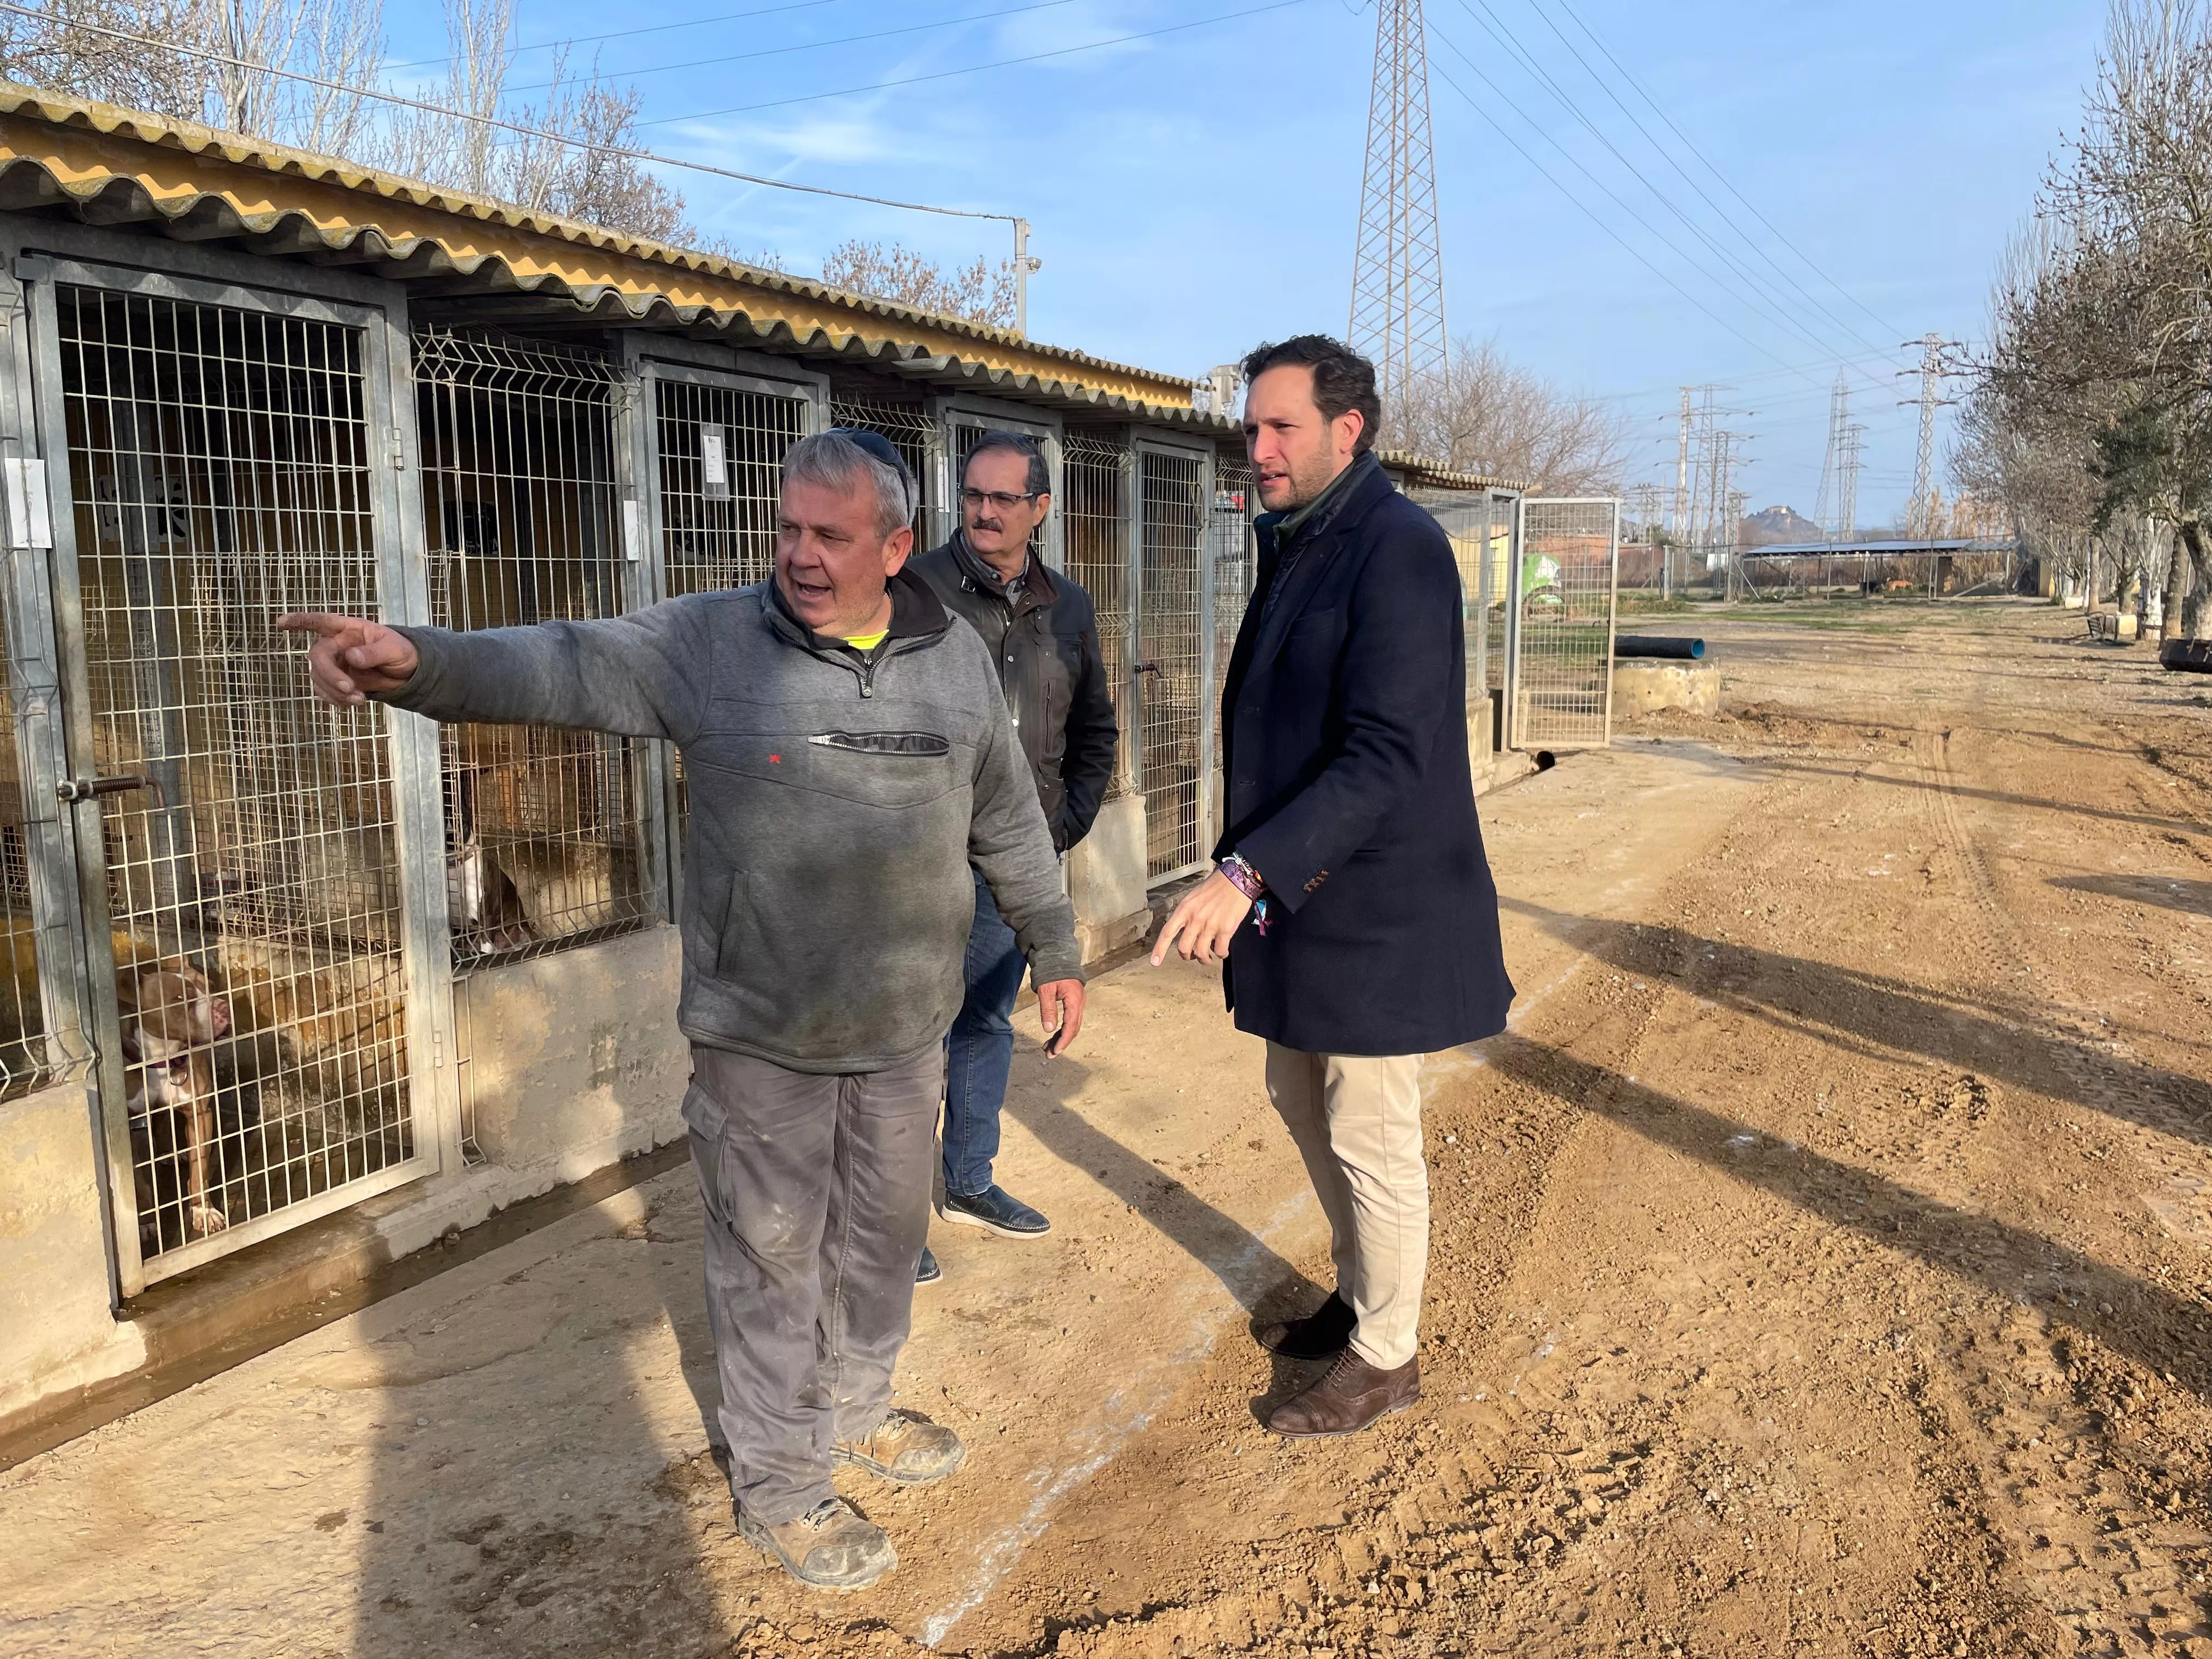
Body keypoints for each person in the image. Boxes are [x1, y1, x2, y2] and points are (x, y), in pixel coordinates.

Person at [281, 428, 1087, 1593]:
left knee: (880, 1245)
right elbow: (560, 662)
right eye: (788, 527)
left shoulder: (953, 660)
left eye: (831, 535)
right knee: (771, 1263)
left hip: (905, 1031)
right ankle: (782, 1485)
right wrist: (419, 663)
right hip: (762, 1037)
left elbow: (1007, 812)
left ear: (897, 546)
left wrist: (1053, 942)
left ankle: (857, 1407)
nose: (799, 556)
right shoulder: (712, 645)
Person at [1153, 335, 1514, 1439]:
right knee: (1295, 1096)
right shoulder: (1306, 538)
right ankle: (1361, 1294)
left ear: (1345, 431)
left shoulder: (1395, 548)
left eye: (1278, 428)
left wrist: (1246, 871)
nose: (1255, 448)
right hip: (1309, 897)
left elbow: (1387, 754)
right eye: (1250, 428)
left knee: (1368, 1125)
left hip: (1376, 904)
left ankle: (1389, 1355)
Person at [908, 431, 1118, 1276]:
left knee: (985, 1021)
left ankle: (967, 1182)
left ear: (1040, 508)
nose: (984, 512)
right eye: (973, 496)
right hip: (920, 863)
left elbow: (1096, 730)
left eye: (1003, 499)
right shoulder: (912, 589)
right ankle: (888, 1224)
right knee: (905, 1040)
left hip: (1014, 868)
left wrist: (1059, 827)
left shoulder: (1068, 607)